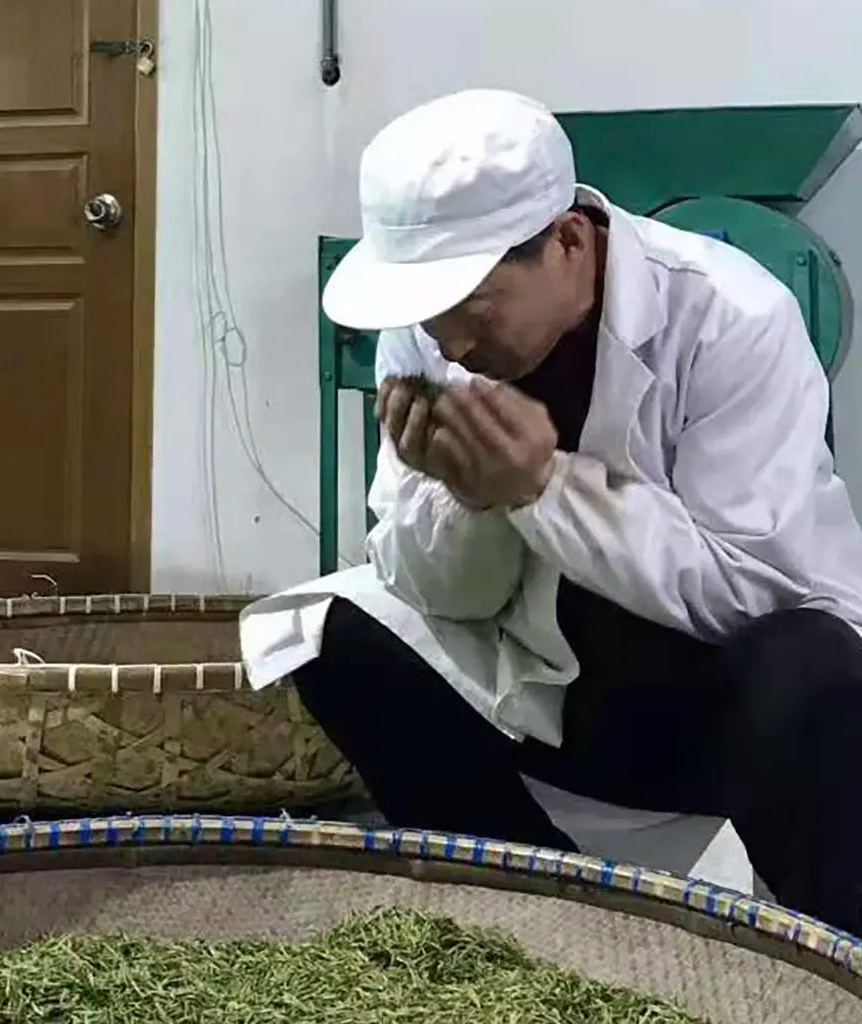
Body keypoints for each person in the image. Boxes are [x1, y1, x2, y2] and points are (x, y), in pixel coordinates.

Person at [246, 89, 862, 936]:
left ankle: (825, 957)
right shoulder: (427, 338)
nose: (451, 343)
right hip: (550, 691)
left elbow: (753, 586)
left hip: (707, 701)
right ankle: (520, 912)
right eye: (429, 311)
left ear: (569, 241)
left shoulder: (731, 317)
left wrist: (545, 487)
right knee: (321, 628)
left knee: (808, 664)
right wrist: (466, 495)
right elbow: (433, 592)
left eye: (473, 303)